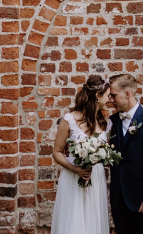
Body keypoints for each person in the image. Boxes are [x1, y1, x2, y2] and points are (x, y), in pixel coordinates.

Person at [50, 74, 113, 234]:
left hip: (96, 177)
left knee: (93, 222)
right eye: (108, 95)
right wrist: (76, 169)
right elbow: (57, 152)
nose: (110, 99)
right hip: (73, 176)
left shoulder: (106, 123)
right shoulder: (69, 120)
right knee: (74, 222)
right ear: (97, 96)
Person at [107, 73, 143, 234]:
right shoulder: (112, 122)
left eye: (113, 96)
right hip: (119, 200)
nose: (110, 100)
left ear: (127, 94)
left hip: (142, 200)